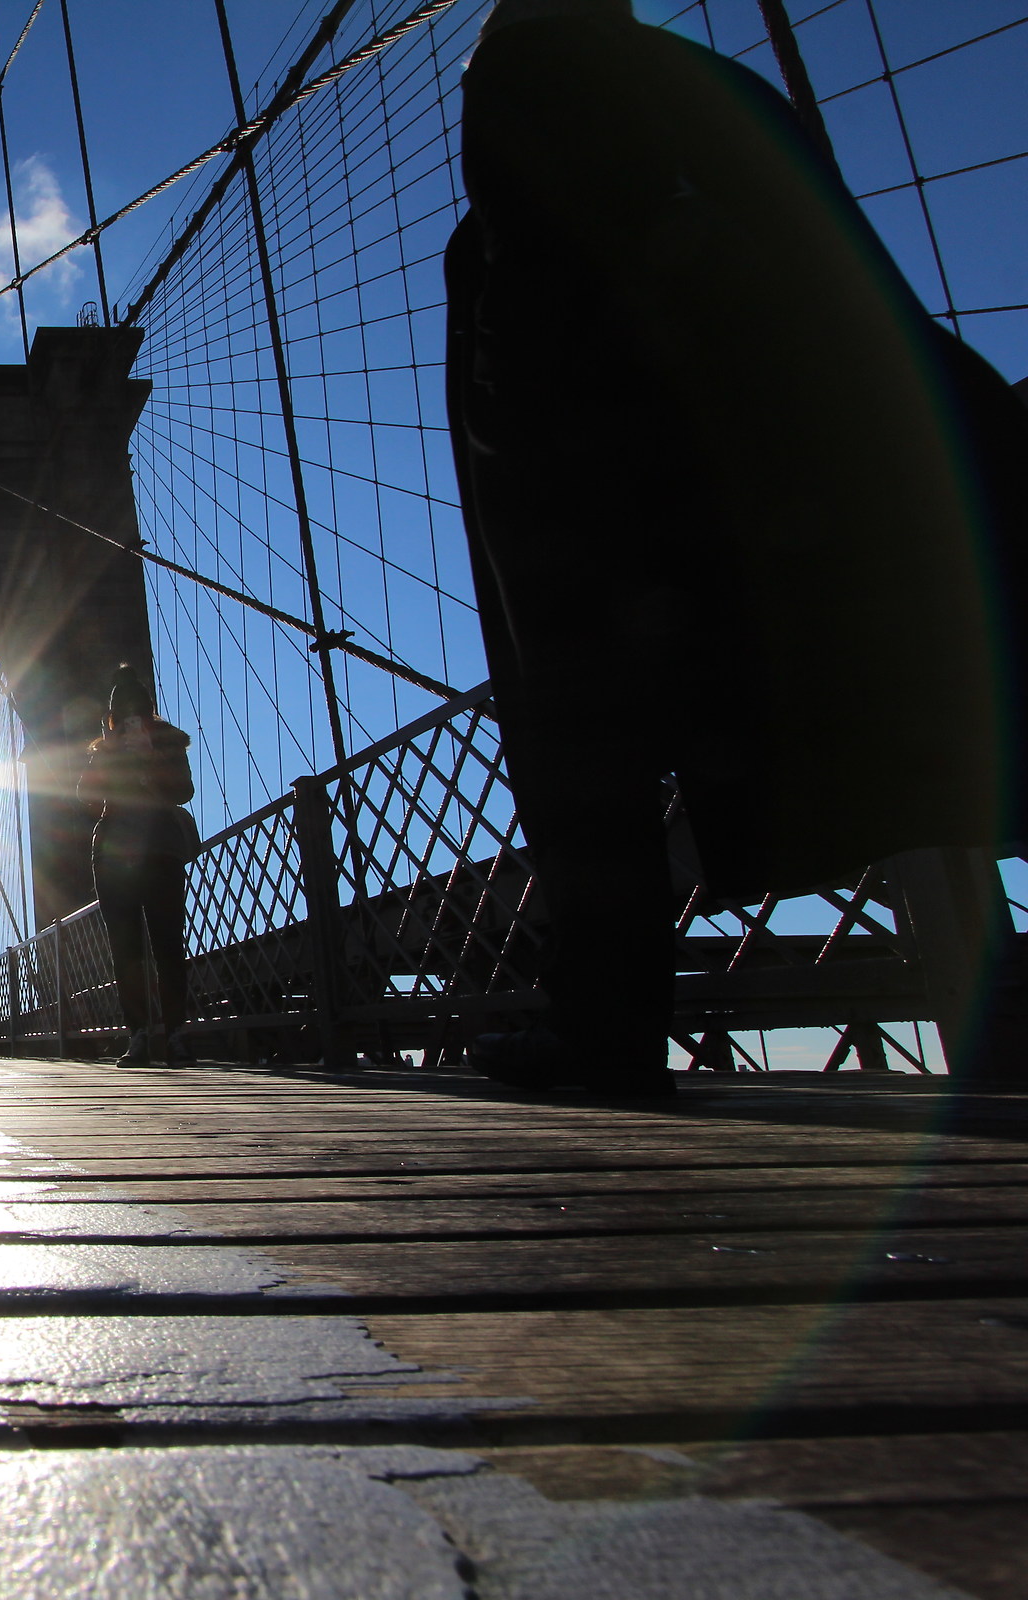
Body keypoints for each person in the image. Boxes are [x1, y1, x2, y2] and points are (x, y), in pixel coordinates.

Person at [445, 0, 1028, 1093]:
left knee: (585, 750)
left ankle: (605, 1035)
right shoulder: (732, 96)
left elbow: (531, 338)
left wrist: (525, 513)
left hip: (626, 516)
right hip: (855, 503)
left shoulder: (523, 74)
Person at [79, 665, 201, 1068]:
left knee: (168, 944)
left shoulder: (169, 743)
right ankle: (139, 1034)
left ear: (150, 714)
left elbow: (183, 790)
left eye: (139, 714)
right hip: (114, 855)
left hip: (160, 849)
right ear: (113, 718)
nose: (132, 721)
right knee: (126, 950)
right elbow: (86, 795)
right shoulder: (104, 749)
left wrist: (150, 763)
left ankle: (176, 1034)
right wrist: (111, 755)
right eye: (124, 715)